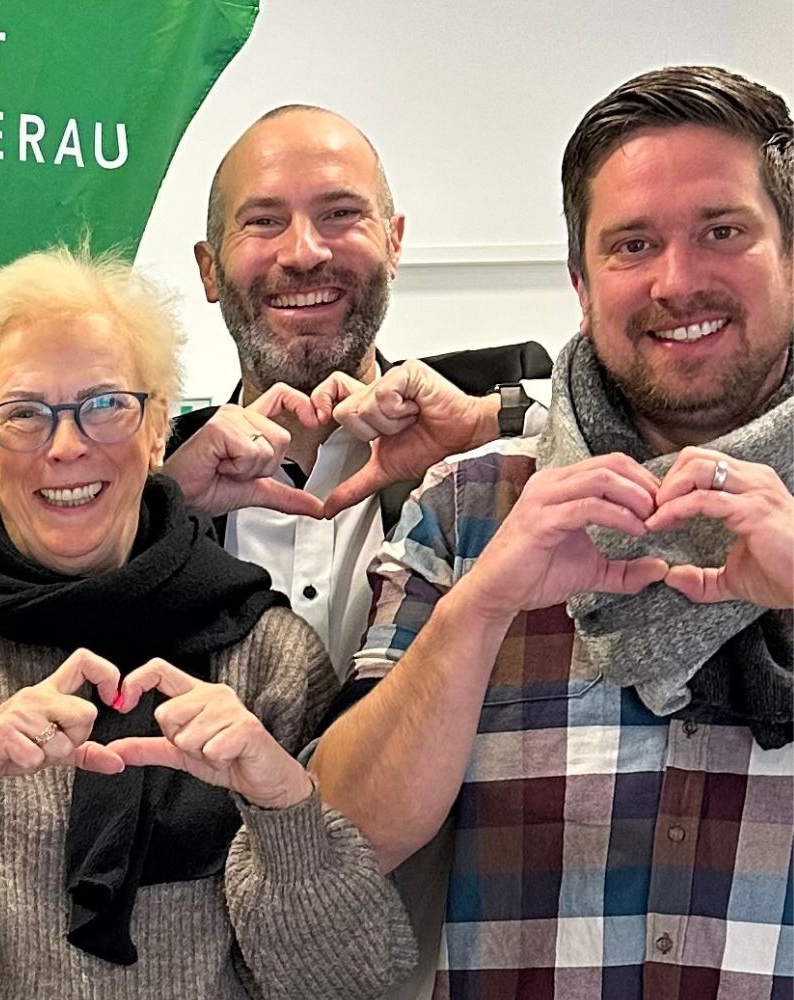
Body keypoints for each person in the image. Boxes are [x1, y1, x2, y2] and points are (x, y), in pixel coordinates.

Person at [309, 65, 794, 998]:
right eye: (632, 244)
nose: (677, 280)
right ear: (580, 282)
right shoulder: (469, 506)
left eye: (722, 232)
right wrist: (480, 608)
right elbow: (340, 839)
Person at [0, 246, 413, 998]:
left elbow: (355, 982)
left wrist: (284, 808)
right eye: (23, 414)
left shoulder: (270, 656)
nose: (67, 446)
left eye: (104, 405)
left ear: (157, 430)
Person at [164, 105, 552, 673]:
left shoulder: (489, 421)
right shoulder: (159, 473)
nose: (303, 253)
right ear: (208, 269)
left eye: (340, 214)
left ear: (394, 244)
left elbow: (660, 443)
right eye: (264, 221)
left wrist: (487, 422)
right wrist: (157, 511)